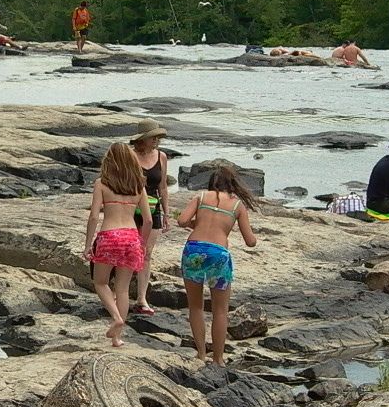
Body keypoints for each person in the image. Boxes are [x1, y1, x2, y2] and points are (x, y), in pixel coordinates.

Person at [176, 165, 258, 367]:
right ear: (233, 184)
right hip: (218, 254)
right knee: (220, 310)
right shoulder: (237, 205)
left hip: (193, 250)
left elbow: (182, 220)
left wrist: (198, 225)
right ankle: (218, 359)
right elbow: (250, 241)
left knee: (195, 306)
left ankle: (201, 354)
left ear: (211, 182)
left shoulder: (201, 197)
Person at [83, 143, 152, 348]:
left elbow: (94, 216)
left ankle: (116, 317)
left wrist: (88, 244)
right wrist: (143, 243)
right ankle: (117, 338)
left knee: (100, 282)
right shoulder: (138, 186)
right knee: (122, 289)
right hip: (131, 236)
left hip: (109, 236)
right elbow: (148, 220)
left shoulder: (101, 184)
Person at [129, 119, 169, 316]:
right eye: (153, 138)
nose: (156, 141)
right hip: (132, 209)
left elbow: (163, 187)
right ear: (142, 140)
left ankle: (141, 298)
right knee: (130, 250)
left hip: (153, 209)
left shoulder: (161, 156)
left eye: (158, 138)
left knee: (147, 252)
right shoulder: (130, 156)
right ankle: (121, 291)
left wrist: (167, 212)